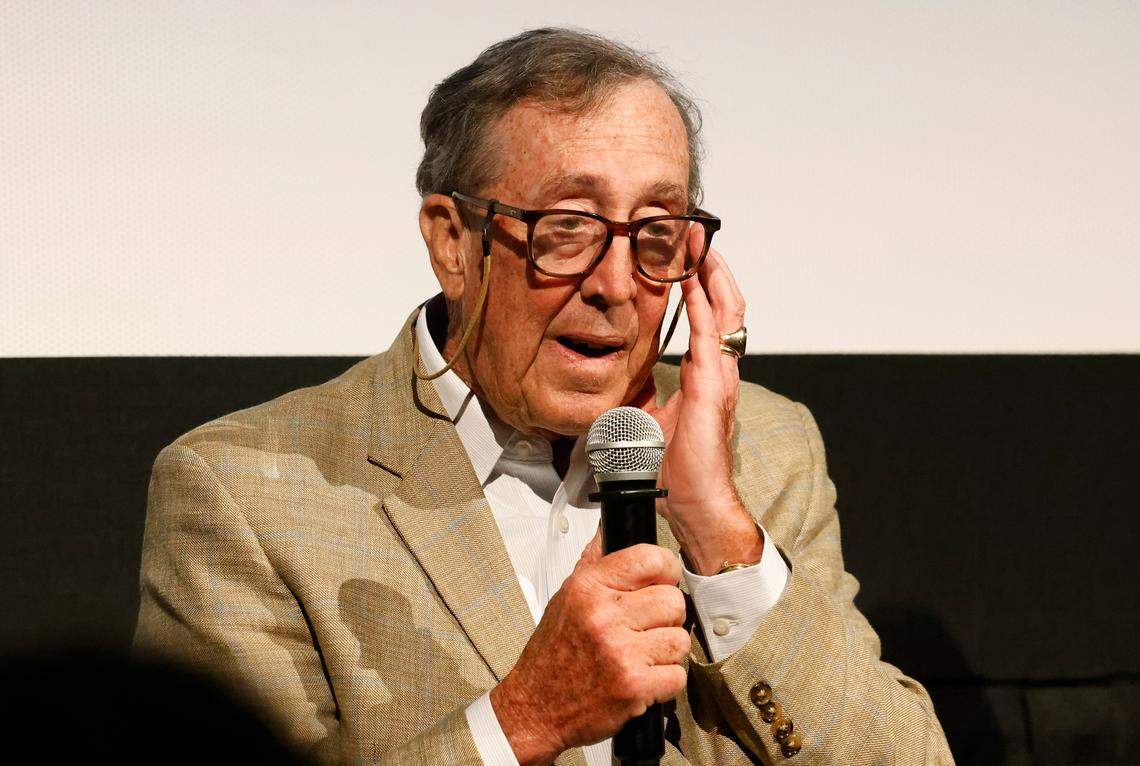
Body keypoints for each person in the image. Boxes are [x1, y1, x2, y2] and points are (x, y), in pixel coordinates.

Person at [134, 28, 952, 765]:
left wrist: (715, 526)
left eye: (655, 232)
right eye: (569, 226)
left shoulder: (765, 449)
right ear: (454, 243)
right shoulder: (247, 492)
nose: (617, 285)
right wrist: (522, 720)